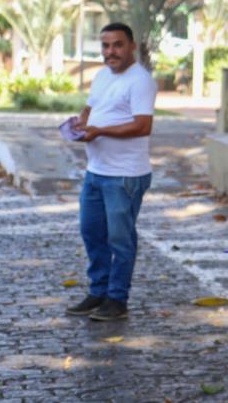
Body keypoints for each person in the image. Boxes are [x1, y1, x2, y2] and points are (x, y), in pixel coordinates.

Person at [65, 22, 157, 322]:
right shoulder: (102, 76)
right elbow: (90, 109)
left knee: (120, 240)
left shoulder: (140, 80)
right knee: (92, 234)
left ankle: (117, 300)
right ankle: (99, 291)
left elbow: (143, 125)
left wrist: (98, 130)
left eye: (117, 45)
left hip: (125, 176)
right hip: (96, 172)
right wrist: (80, 123)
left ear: (132, 46)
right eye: (105, 46)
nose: (110, 51)